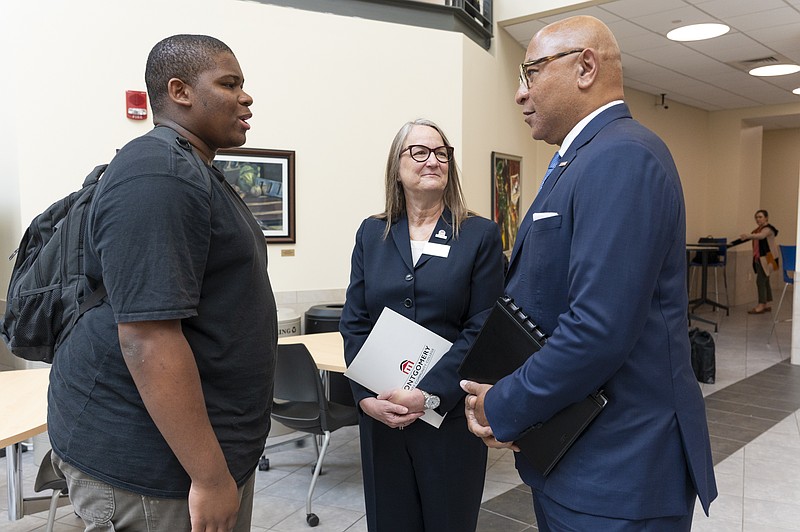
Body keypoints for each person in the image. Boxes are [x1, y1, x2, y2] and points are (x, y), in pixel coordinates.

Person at [460, 16, 717, 531]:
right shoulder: (578, 159)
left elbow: (598, 330)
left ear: (585, 67)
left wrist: (504, 404)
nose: (519, 93)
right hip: (574, 458)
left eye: (530, 73)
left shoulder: (621, 155)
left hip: (620, 470)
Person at [47, 34, 277, 531]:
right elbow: (147, 339)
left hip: (198, 456)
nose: (246, 96)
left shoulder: (193, 167)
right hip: (155, 469)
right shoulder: (159, 172)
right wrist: (212, 478)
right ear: (180, 91)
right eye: (229, 83)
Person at [339, 119, 505, 531]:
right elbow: (355, 321)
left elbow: (483, 326)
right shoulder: (371, 233)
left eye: (441, 153)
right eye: (419, 151)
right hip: (383, 415)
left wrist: (429, 394)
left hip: (448, 418)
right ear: (397, 165)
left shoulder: (479, 235)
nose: (432, 160)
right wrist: (365, 398)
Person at [740, 209, 779, 314]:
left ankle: (761, 304)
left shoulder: (768, 229)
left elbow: (761, 236)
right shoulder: (757, 230)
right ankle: (766, 303)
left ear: (766, 218)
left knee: (760, 281)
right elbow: (756, 236)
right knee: (765, 280)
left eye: (760, 217)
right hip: (759, 258)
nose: (758, 219)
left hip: (767, 258)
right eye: (756, 217)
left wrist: (748, 235)